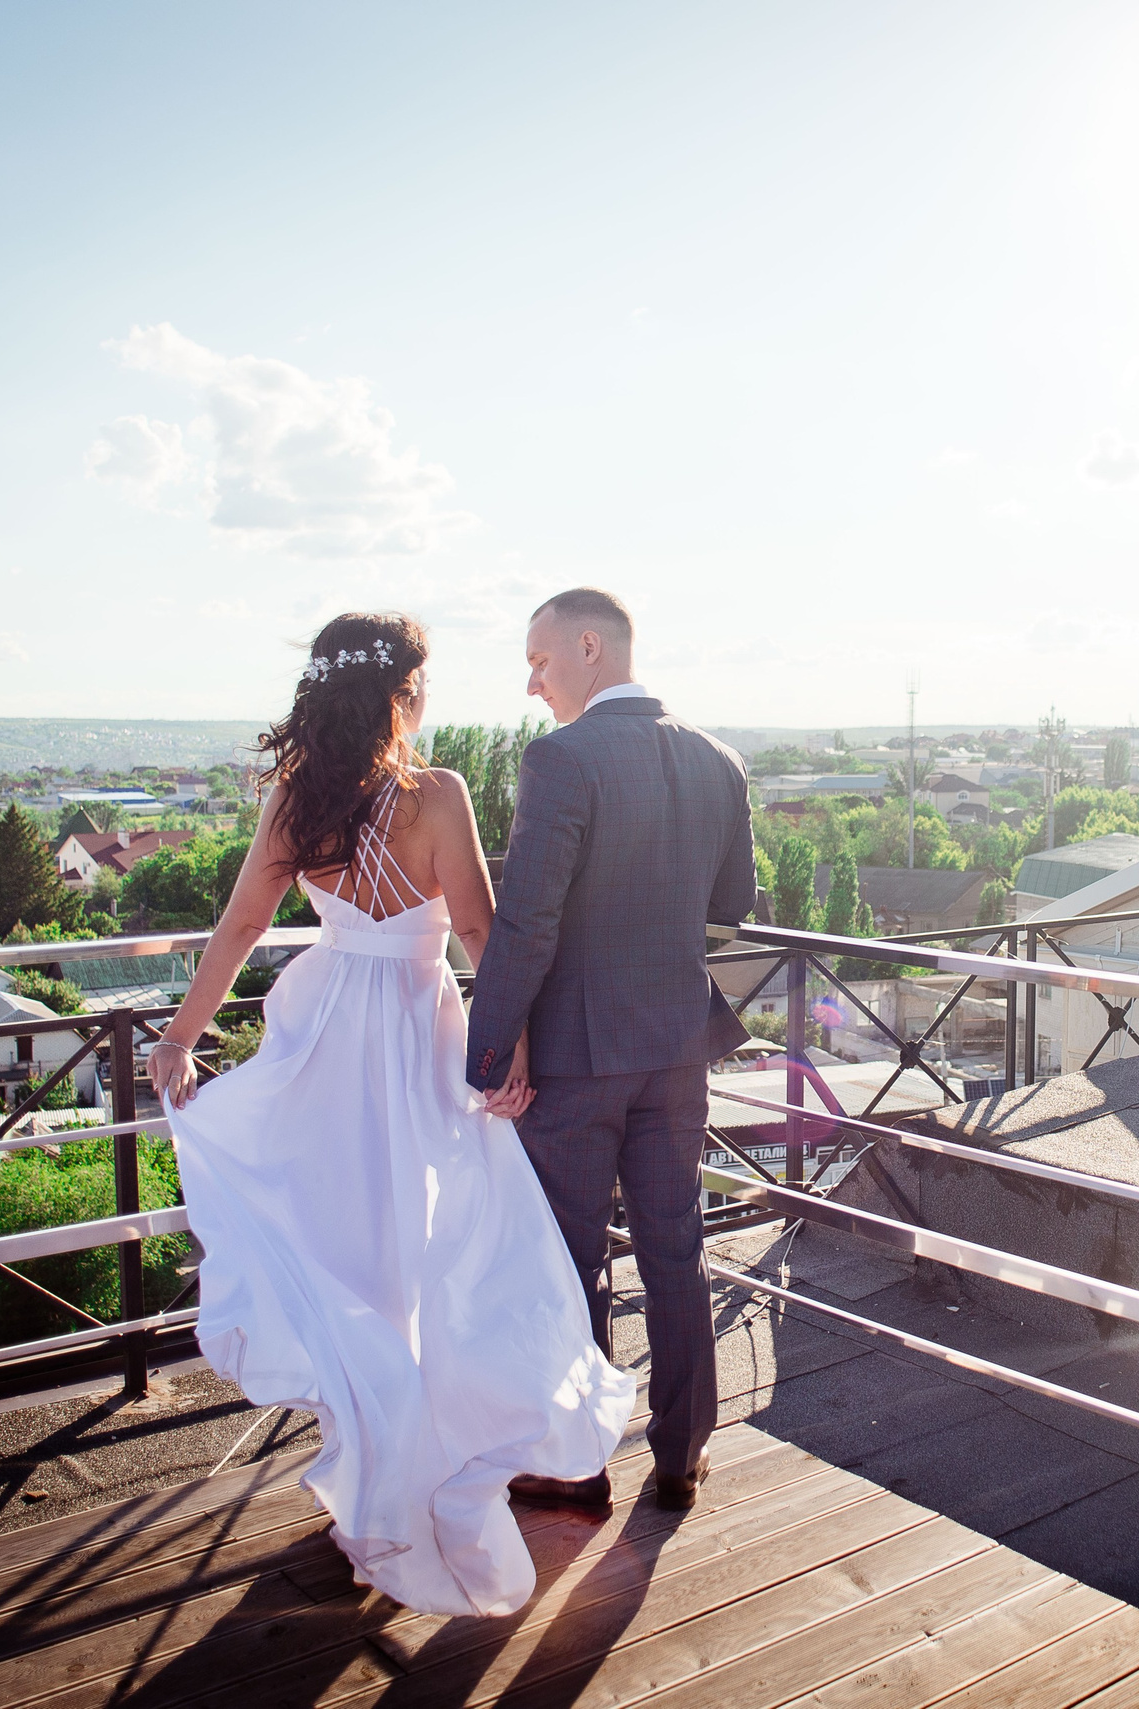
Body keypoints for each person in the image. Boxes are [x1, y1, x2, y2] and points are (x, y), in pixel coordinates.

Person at [151, 610, 634, 1619]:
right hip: (419, 1028)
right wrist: (510, 1051)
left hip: (325, 1026)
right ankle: (416, 1463)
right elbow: (476, 929)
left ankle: (371, 1479)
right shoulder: (437, 793)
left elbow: (242, 924)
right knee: (444, 1240)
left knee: (349, 1250)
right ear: (402, 696)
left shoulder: (297, 797)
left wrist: (182, 1036)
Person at [466, 588, 753, 1514]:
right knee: (677, 1249)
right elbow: (733, 902)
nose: (531, 681)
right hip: (674, 1049)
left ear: (590, 647)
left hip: (576, 1058)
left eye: (540, 659)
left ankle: (578, 1459)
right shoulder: (721, 761)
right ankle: (681, 1454)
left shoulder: (561, 759)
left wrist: (487, 1051)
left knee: (571, 1257)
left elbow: (526, 920)